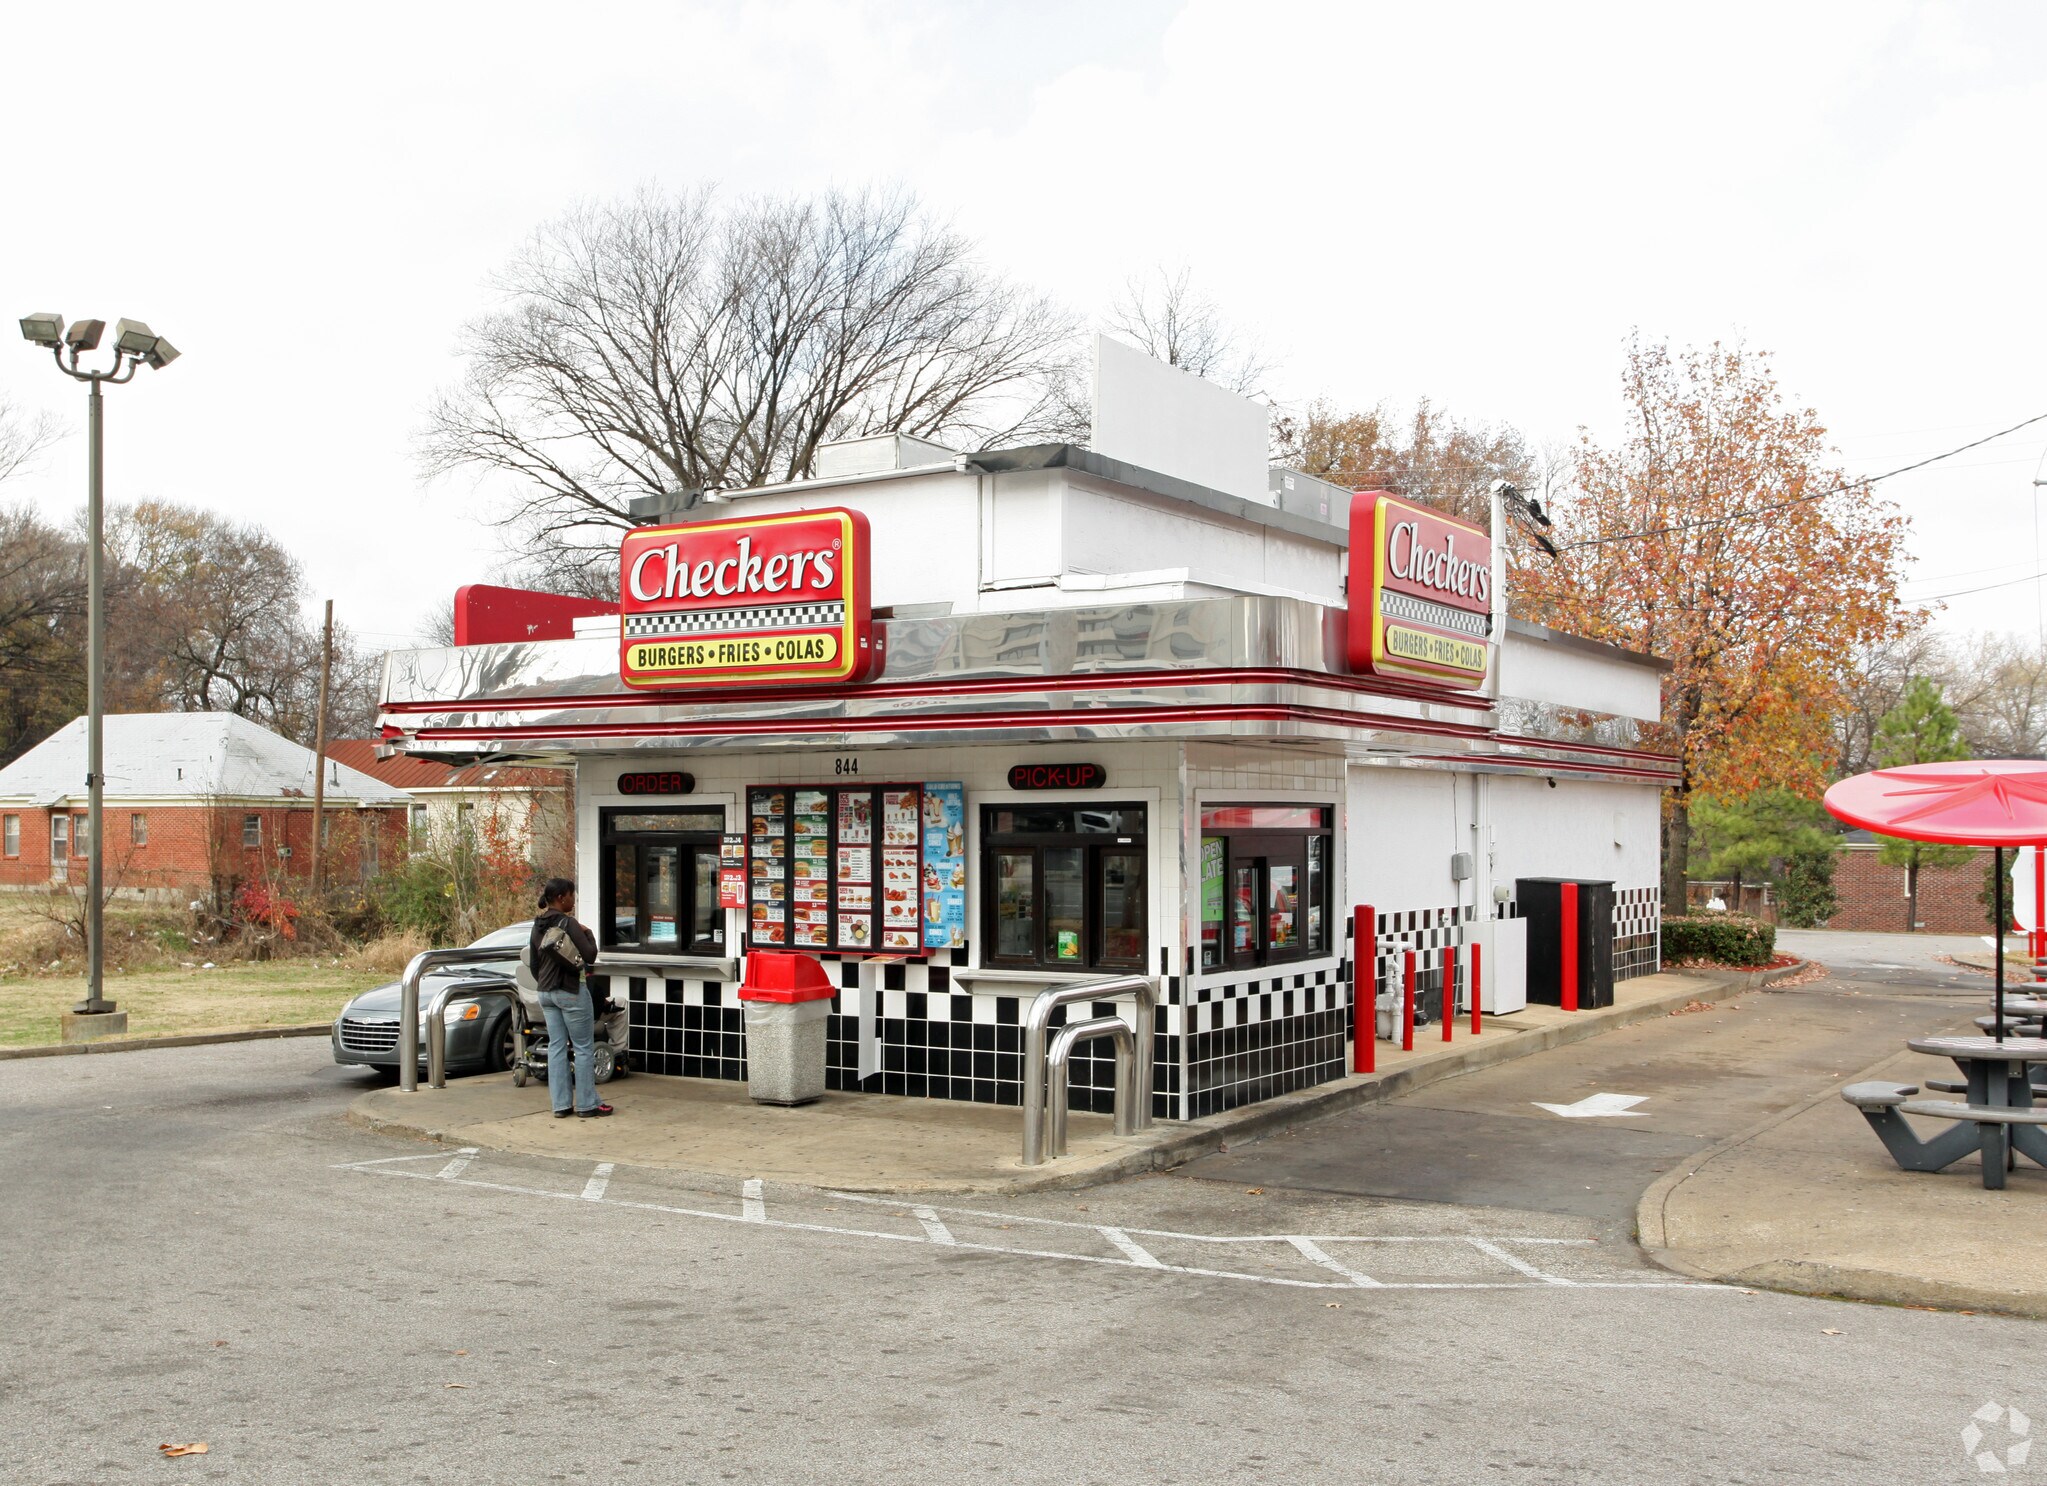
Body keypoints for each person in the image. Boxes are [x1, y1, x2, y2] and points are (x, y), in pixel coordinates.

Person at [530, 878, 612, 1119]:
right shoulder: (568, 922)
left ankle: (561, 1105)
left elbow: (534, 964)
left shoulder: (537, 925)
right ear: (561, 897)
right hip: (570, 992)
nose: (573, 900)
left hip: (545, 993)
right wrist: (589, 934)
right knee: (583, 1048)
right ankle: (587, 1105)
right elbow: (590, 955)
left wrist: (546, 984)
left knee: (556, 1046)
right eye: (571, 895)